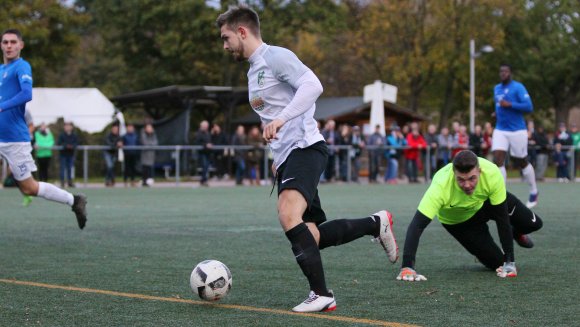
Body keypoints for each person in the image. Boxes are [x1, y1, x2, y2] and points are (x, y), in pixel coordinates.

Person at [217, 6, 398, 312]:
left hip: (306, 147)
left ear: (242, 32)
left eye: (226, 37)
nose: (224, 45)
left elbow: (313, 86)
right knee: (311, 234)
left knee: (288, 214)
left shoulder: (275, 56)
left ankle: (322, 294)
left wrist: (283, 120)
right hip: (289, 156)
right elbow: (274, 111)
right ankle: (374, 223)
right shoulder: (253, 70)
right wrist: (278, 152)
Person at [397, 150, 543, 282]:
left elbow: (502, 218)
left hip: (485, 204)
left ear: (479, 171)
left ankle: (516, 232)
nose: (467, 185)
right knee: (497, 263)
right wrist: (407, 266)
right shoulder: (440, 186)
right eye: (461, 179)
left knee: (533, 224)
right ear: (454, 173)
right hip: (461, 222)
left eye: (472, 178)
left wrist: (510, 262)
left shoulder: (491, 173)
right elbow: (416, 226)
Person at [0, 29, 87, 228]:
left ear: (21, 45)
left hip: (15, 140)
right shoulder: (0, 71)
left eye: (13, 42)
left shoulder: (22, 66)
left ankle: (74, 201)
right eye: (5, 42)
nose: (9, 46)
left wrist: (2, 106)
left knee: (29, 188)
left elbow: (26, 94)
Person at [492, 64, 538, 208]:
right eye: (501, 71)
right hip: (500, 129)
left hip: (517, 130)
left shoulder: (518, 87)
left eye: (505, 71)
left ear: (510, 73)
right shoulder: (496, 88)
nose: (503, 73)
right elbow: (499, 105)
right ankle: (501, 195)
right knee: (498, 159)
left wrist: (510, 105)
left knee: (521, 160)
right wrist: (496, 113)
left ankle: (534, 190)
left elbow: (529, 107)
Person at [57, 121, 79, 188]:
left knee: (70, 168)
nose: (67, 127)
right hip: (63, 154)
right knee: (62, 168)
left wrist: (72, 146)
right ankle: (62, 182)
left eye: (69, 126)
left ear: (72, 127)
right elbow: (59, 143)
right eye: (66, 126)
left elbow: (77, 143)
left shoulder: (74, 135)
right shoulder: (61, 135)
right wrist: (66, 146)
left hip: (71, 154)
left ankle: (70, 182)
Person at [193, 120, 212, 186]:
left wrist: (210, 145)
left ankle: (203, 180)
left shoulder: (208, 133)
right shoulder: (198, 133)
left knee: (206, 166)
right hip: (202, 153)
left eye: (207, 126)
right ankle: (204, 180)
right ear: (201, 126)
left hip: (208, 153)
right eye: (205, 126)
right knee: (204, 166)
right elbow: (197, 142)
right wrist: (205, 145)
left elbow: (210, 141)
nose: (206, 127)